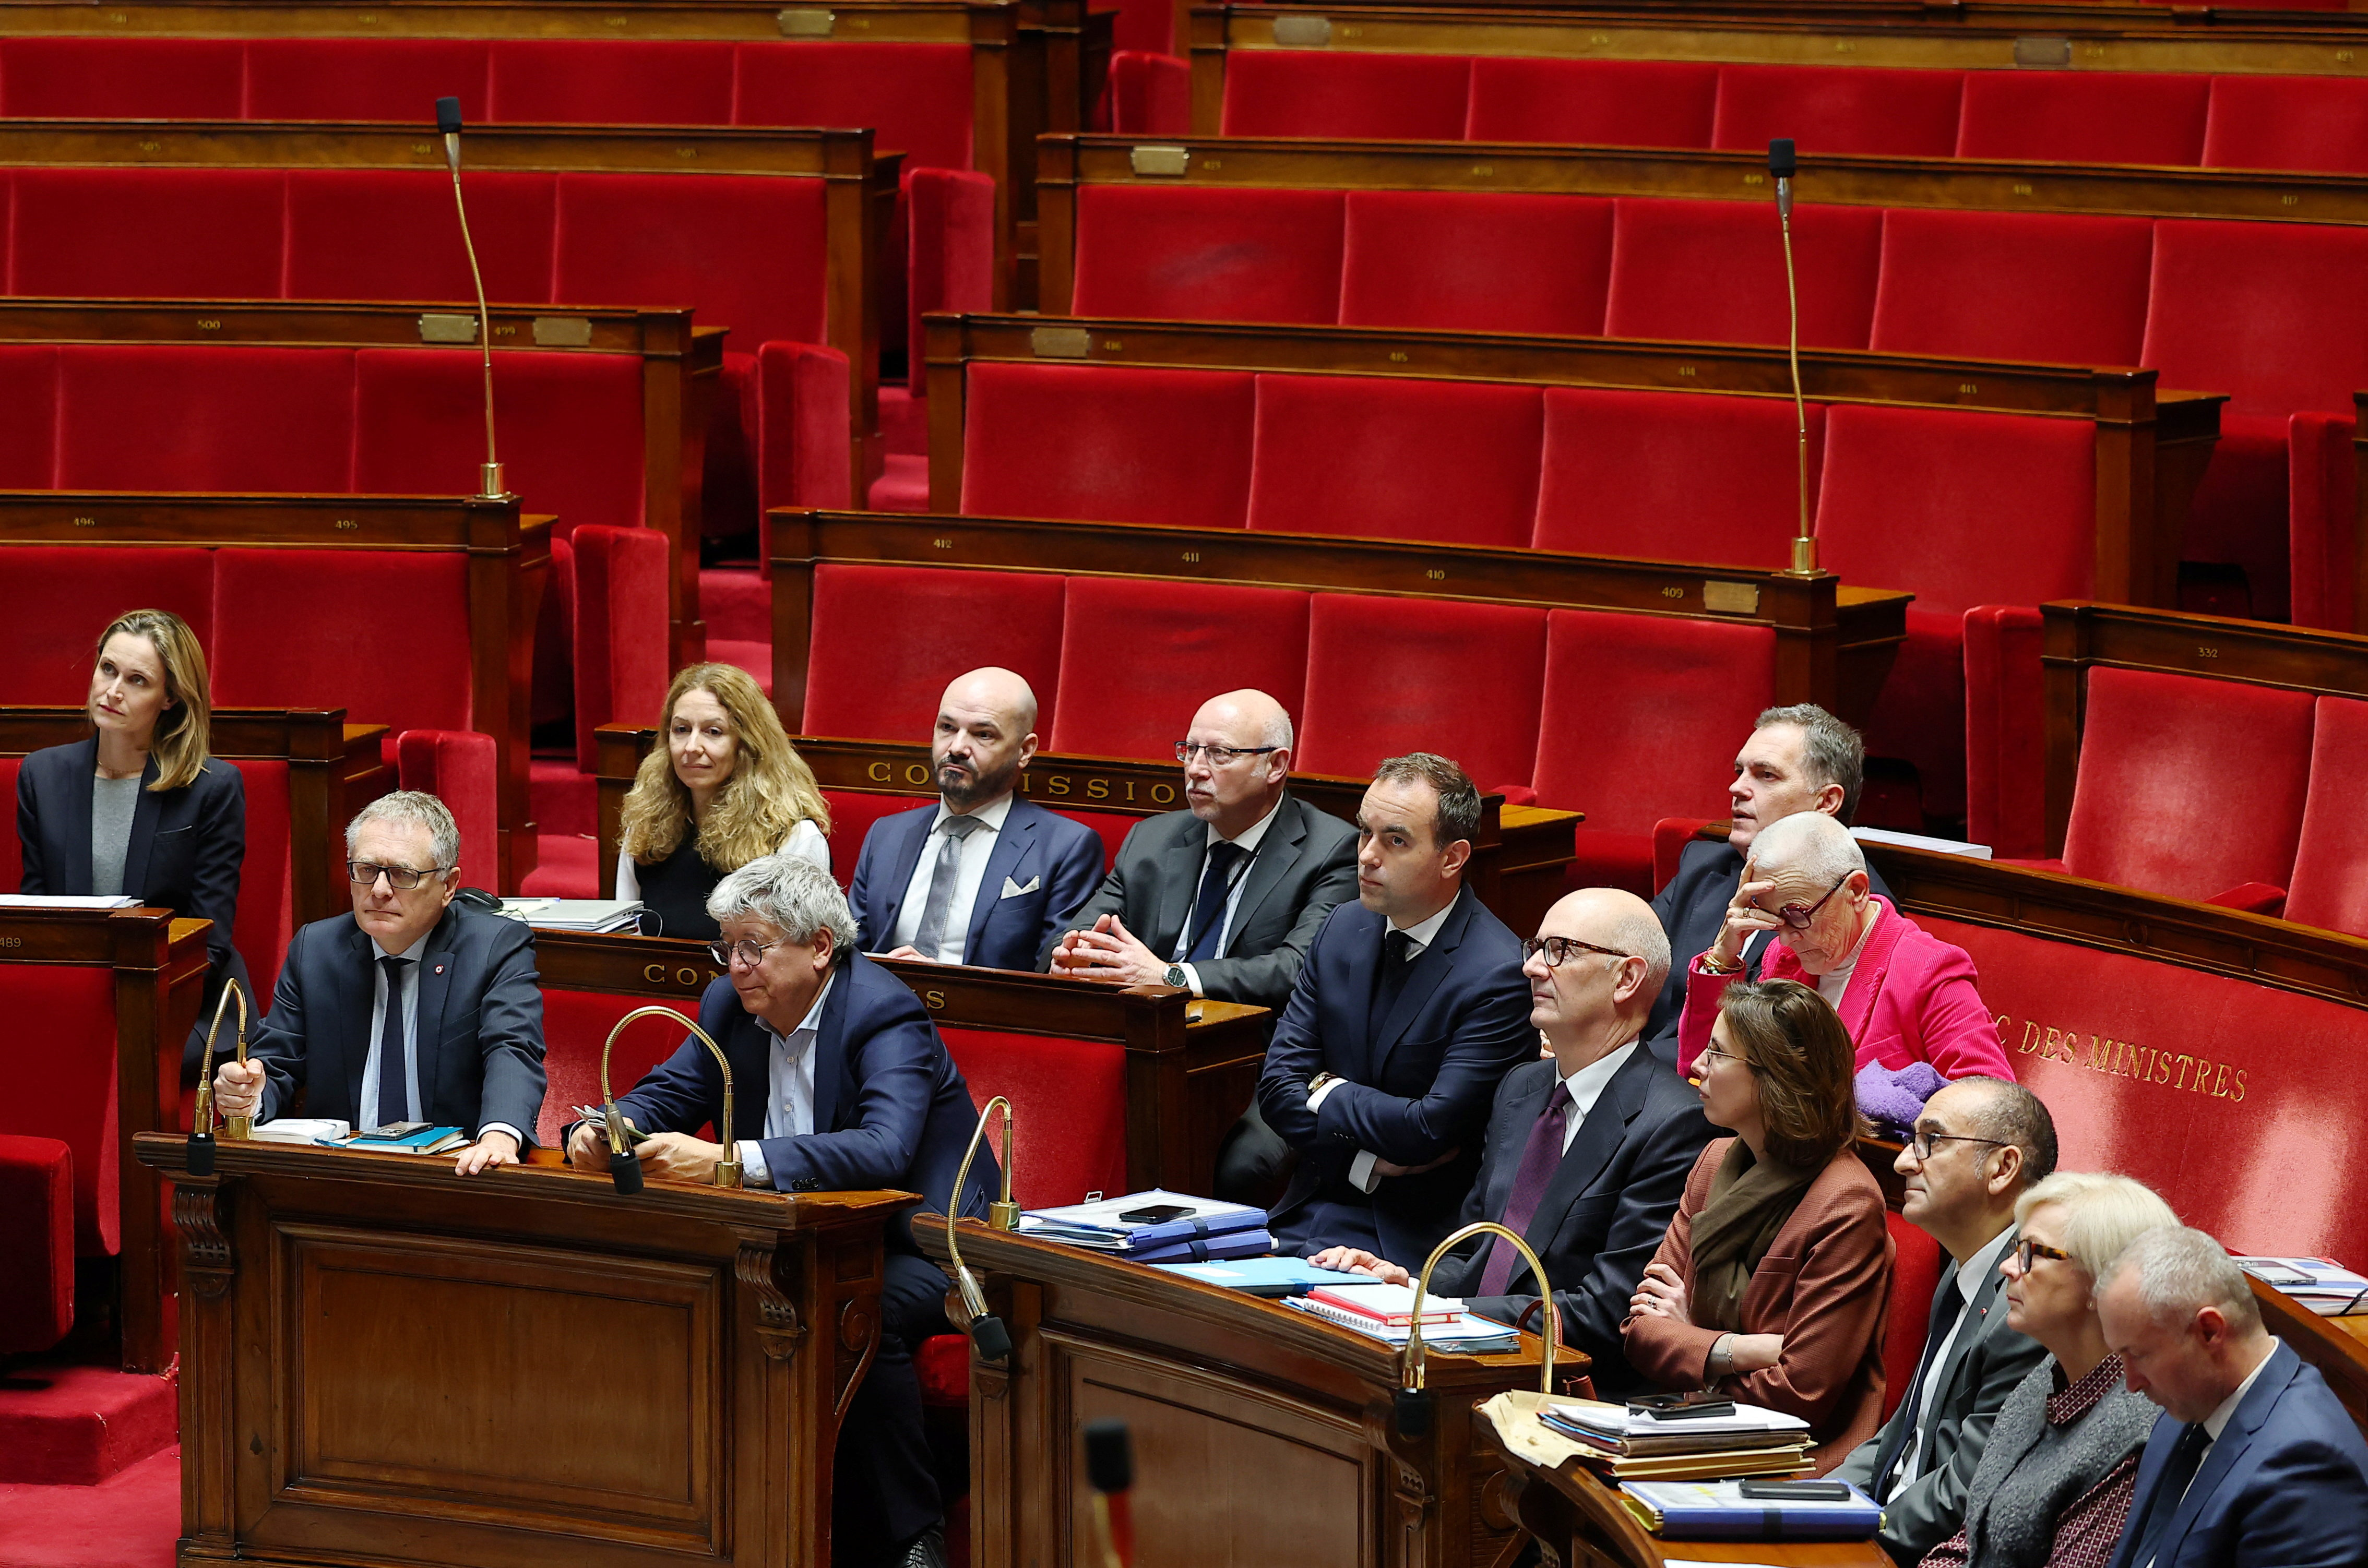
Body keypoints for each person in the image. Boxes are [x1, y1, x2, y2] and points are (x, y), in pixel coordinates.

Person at [566, 853, 995, 1568]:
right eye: (727, 947)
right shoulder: (729, 1004)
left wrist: (729, 1162)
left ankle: (913, 1539)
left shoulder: (884, 1013)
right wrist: (600, 1128)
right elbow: (667, 1094)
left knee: (860, 1313)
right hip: (802, 1240)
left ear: (821, 947)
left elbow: (883, 1148)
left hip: (924, 1242)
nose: (736, 966)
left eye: (753, 947)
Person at [1307, 888, 1714, 1396]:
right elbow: (1478, 1254)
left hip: (1565, 1389)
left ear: (1627, 978)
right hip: (1468, 1360)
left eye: (1561, 949)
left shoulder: (1674, 1122)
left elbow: (1609, 1310)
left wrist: (1439, 1313)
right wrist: (1408, 1284)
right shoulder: (1521, 1088)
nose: (1533, 968)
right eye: (1535, 947)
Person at [1042, 688, 1358, 1203]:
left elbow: (1297, 968)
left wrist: (1171, 977)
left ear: (1276, 765)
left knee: (1238, 1165)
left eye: (1220, 753)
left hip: (1262, 1058)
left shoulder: (1331, 851)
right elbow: (1072, 936)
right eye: (1188, 749)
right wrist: (1073, 955)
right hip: (1143, 1044)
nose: (1195, 768)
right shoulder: (1153, 839)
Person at [1256, 752, 1533, 1263]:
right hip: (1307, 1204)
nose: (1366, 855)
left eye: (1395, 840)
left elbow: (1430, 1130)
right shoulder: (1341, 927)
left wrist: (1323, 1087)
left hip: (1406, 1237)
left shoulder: (1497, 972)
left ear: (1452, 857)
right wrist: (1362, 1157)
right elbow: (1276, 1087)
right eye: (1365, 832)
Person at [1624, 977, 1891, 1472]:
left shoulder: (1845, 1203)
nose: (1697, 1067)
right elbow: (1639, 1330)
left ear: (1776, 1077)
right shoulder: (1715, 1159)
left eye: (1717, 1053)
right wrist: (1738, 1349)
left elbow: (1799, 1393)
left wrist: (1691, 1342)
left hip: (1786, 1463)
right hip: (1685, 1430)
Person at [210, 792, 542, 1177]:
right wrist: (248, 1096)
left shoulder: (494, 947)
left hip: (455, 1175)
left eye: (403, 874)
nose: (380, 890)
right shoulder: (315, 948)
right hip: (339, 1176)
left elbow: (512, 1047)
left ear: (448, 885)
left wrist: (499, 1136)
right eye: (366, 870)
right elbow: (277, 1062)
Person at [17, 609, 250, 1081]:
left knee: (125, 1066)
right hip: (72, 999)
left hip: (179, 1001)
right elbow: (40, 917)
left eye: (137, 680)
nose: (113, 690)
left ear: (170, 698)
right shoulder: (41, 776)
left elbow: (211, 937)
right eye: (108, 669)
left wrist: (132, 1014)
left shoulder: (212, 787)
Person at [1837, 1078, 2057, 1565]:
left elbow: (1969, 1488)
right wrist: (1808, 1505)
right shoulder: (1962, 1267)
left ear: (2002, 1168)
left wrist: (1846, 1533)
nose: (1902, 1162)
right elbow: (1900, 1436)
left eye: (1930, 1142)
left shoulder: (2023, 1303)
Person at [1917, 1172, 2179, 1568]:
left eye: (2031, 1252)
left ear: (2103, 1284)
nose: (2007, 1266)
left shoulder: (2138, 1436)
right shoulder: (2047, 1376)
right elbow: (1972, 1541)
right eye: (2013, 1247)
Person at [2099, 1226, 2368, 1568]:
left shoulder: (2305, 1465)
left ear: (2209, 1331)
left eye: (2138, 1355)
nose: (2131, 1383)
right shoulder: (2184, 1409)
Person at [1677, 811, 2012, 1083]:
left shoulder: (1929, 970)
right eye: (1772, 918)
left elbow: (1988, 1104)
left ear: (1855, 891)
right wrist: (1722, 958)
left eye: (1796, 915)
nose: (1784, 938)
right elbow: (1705, 1071)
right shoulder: (1786, 957)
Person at [1648, 705, 1890, 1044]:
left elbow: (1777, 1049)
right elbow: (1628, 961)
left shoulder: (1853, 906)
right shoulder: (1703, 867)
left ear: (1825, 801)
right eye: (1739, 771)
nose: (1737, 787)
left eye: (1766, 775)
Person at [847, 667, 1100, 971]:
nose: (956, 748)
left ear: (1025, 750)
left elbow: (1053, 975)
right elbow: (849, 952)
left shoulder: (1067, 847)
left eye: (983, 735)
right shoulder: (887, 834)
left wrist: (940, 980)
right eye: (947, 728)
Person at [615, 662, 832, 941]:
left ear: (747, 744)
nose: (692, 747)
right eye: (681, 730)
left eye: (713, 732)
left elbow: (800, 954)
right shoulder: (645, 827)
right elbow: (624, 937)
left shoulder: (794, 837)